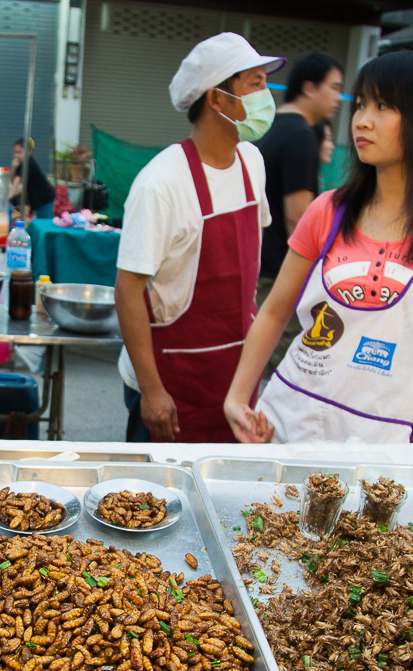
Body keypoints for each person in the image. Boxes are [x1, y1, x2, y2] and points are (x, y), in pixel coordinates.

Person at [223, 50, 413, 494]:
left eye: (383, 106)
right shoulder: (329, 209)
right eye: (362, 104)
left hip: (374, 445)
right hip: (283, 423)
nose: (362, 121)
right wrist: (239, 397)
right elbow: (274, 311)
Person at [115, 32, 284, 443]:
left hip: (234, 377)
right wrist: (152, 391)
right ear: (217, 99)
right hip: (170, 381)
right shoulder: (161, 181)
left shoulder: (252, 162)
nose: (267, 97)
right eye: (255, 83)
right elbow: (127, 289)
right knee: (154, 503)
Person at [256, 53, 343, 281]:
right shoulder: (301, 136)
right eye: (334, 88)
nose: (339, 97)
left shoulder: (269, 126)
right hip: (278, 274)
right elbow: (298, 220)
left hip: (255, 263)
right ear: (309, 87)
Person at [9, 138, 55, 220]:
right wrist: (13, 168)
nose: (17, 155)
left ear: (29, 152)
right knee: (38, 222)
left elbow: (15, 186)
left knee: (44, 223)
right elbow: (13, 182)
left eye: (20, 152)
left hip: (44, 198)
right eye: (15, 152)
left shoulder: (28, 164)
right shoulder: (21, 164)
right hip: (36, 198)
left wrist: (5, 200)